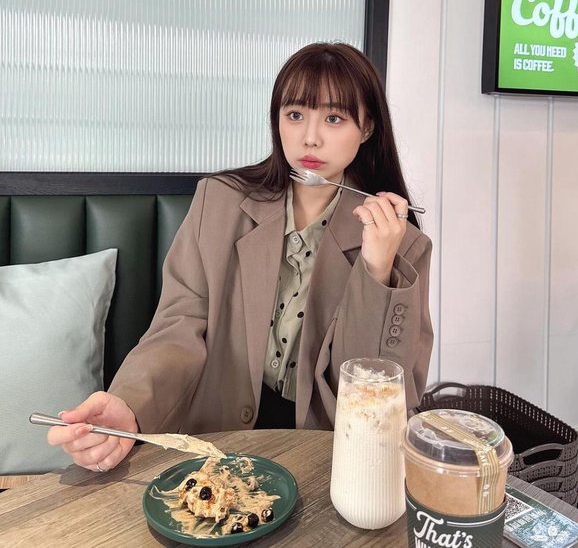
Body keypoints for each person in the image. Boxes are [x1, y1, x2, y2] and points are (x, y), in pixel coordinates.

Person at [47, 41, 434, 473]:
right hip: (217, 441)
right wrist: (130, 406)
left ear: (367, 128)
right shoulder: (219, 202)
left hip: (330, 455)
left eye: (333, 118)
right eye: (295, 115)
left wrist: (377, 271)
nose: (310, 137)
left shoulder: (404, 244)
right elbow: (180, 325)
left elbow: (382, 391)